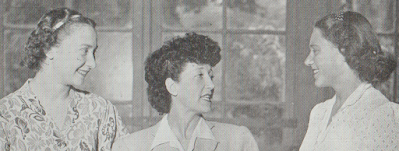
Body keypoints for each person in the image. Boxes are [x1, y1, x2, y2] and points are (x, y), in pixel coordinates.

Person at [0, 8, 127, 150]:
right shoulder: (5, 114)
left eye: (93, 52)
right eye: (84, 51)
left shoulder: (101, 110)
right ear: (49, 49)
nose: (92, 63)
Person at [113, 33, 259, 151]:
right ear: (172, 86)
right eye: (199, 76)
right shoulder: (130, 147)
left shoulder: (238, 141)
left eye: (211, 76)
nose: (211, 85)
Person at [300, 11, 399, 150]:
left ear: (344, 51)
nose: (307, 61)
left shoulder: (381, 114)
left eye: (315, 51)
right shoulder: (319, 113)